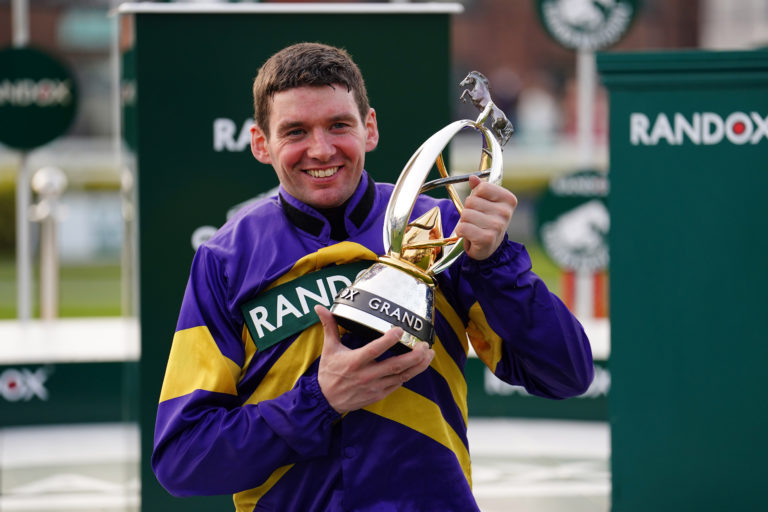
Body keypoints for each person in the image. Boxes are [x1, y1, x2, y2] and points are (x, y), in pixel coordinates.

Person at [152, 42, 594, 512]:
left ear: (370, 128)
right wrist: (319, 401)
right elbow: (183, 458)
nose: (321, 149)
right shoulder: (226, 259)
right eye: (295, 131)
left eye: (339, 125)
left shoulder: (445, 230)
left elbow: (566, 374)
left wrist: (496, 261)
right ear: (261, 143)